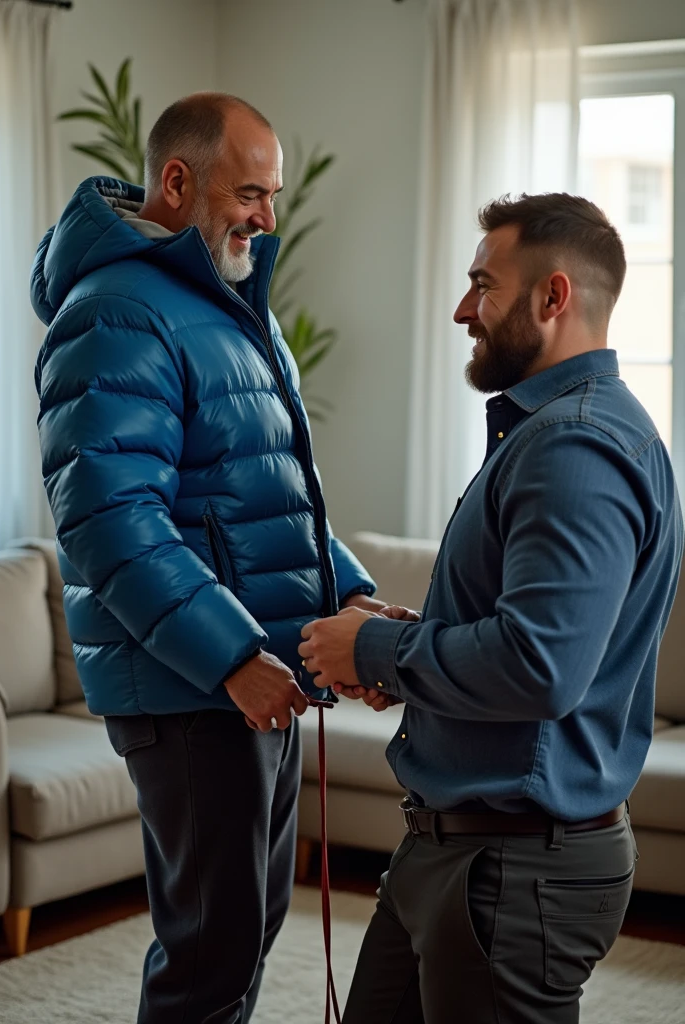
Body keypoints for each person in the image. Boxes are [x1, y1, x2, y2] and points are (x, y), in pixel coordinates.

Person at [31, 92, 391, 1024]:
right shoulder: (113, 310)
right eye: (252, 193)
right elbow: (112, 523)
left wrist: (352, 597)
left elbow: (272, 499)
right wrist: (232, 655)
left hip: (249, 677)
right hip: (194, 687)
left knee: (243, 934)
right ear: (179, 182)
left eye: (273, 196)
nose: (269, 218)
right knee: (209, 956)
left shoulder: (236, 310)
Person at [299, 193, 684, 1024]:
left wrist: (371, 654)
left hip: (512, 871)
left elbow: (539, 666)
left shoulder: (574, 446)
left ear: (553, 297)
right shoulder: (554, 434)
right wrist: (407, 646)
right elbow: (522, 632)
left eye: (483, 284)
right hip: (457, 850)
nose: (461, 309)